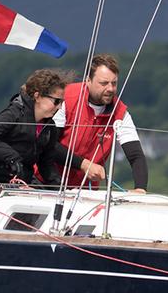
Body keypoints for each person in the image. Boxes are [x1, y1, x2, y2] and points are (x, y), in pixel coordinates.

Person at [0, 68, 90, 186]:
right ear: (38, 96)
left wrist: (59, 187)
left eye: (62, 102)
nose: (60, 107)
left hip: (21, 183)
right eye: (56, 101)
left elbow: (46, 164)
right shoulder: (15, 114)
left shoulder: (50, 128)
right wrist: (13, 158)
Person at [53, 54, 148, 192]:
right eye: (104, 83)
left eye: (114, 83)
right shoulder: (66, 98)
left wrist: (140, 188)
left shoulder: (120, 113)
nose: (110, 89)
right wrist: (84, 165)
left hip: (85, 191)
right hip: (47, 182)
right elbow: (49, 144)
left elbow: (136, 156)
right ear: (88, 81)